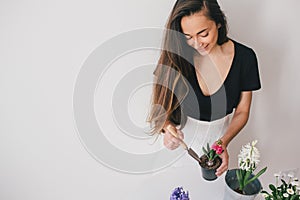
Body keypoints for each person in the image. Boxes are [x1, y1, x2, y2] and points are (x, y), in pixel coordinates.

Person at [147, 0, 261, 177]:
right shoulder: (177, 55)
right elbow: (160, 105)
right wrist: (167, 128)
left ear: (218, 23)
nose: (197, 43)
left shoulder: (245, 58)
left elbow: (242, 111)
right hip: (178, 144)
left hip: (217, 146)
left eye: (203, 34)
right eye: (188, 37)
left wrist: (222, 143)